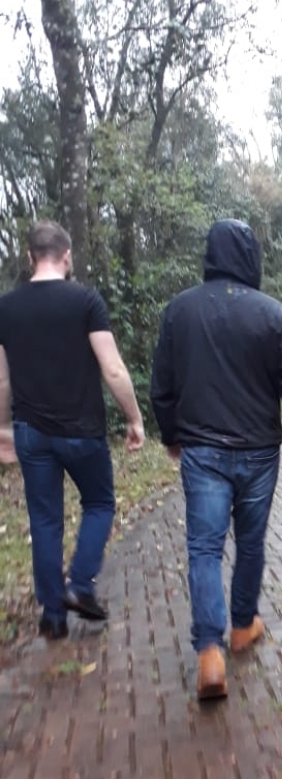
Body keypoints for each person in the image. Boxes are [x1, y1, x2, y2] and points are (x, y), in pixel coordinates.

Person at [151, 219, 282, 702]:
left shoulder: (179, 310)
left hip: (201, 450)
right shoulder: (272, 314)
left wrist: (171, 435)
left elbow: (162, 385)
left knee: (204, 548)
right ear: (250, 257)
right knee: (250, 542)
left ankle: (209, 652)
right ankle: (242, 626)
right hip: (259, 451)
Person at [0, 221, 145, 639]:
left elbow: (1, 379)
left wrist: (3, 426)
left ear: (30, 256)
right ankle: (80, 585)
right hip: (81, 429)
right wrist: (134, 418)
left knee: (45, 520)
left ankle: (53, 617)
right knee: (99, 503)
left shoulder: (6, 307)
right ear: (66, 256)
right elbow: (112, 369)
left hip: (31, 432)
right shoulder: (85, 300)